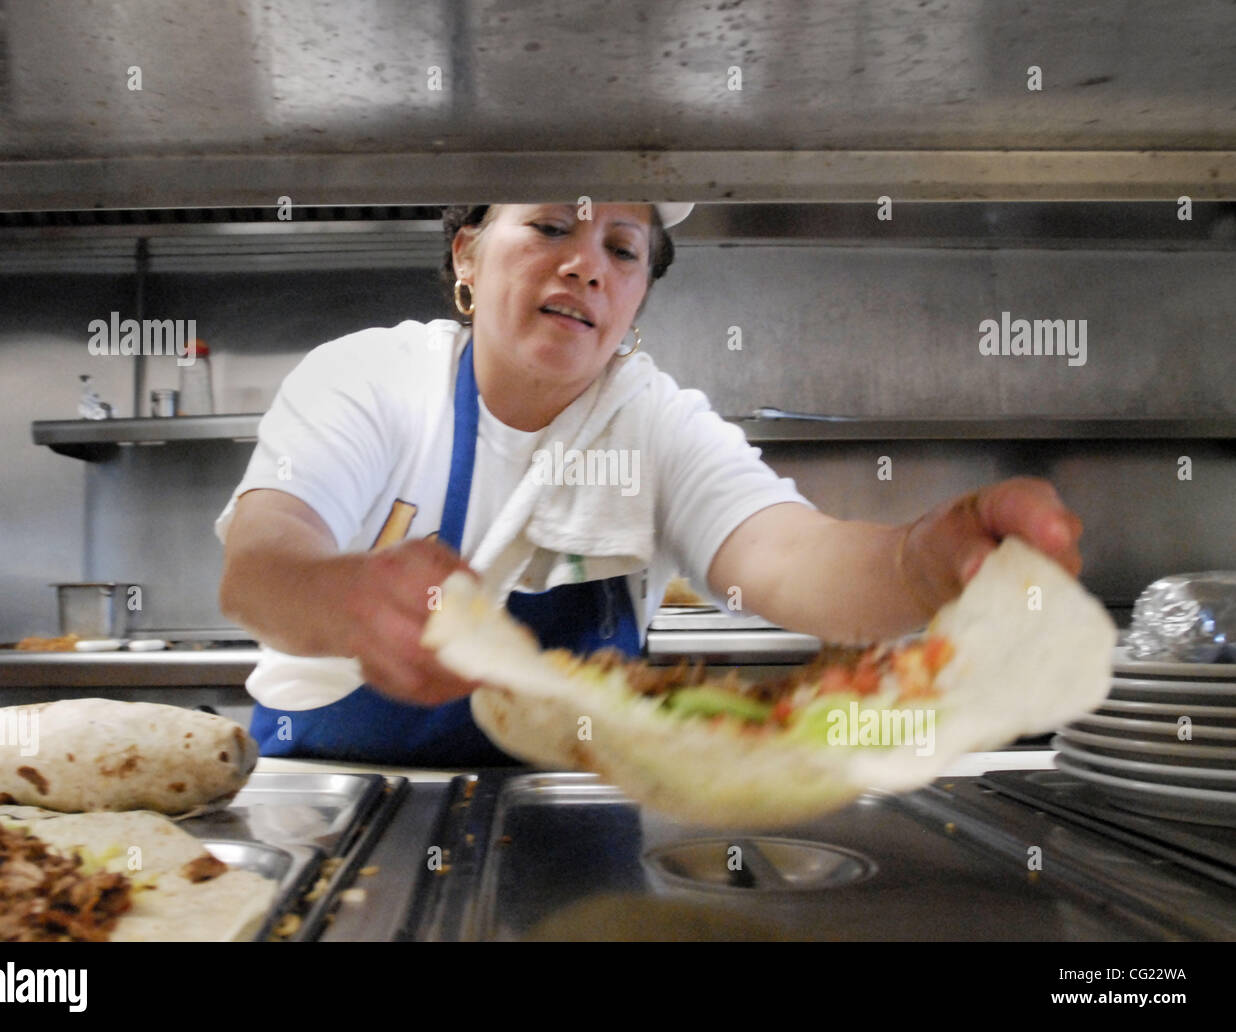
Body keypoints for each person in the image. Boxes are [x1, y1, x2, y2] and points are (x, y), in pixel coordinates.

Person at [216, 201, 1084, 766]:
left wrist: (927, 562)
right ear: (467, 258)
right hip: (341, 799)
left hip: (570, 818)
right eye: (551, 228)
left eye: (621, 249)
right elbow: (259, 564)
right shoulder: (373, 379)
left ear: (634, 304)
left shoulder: (653, 423)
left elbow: (786, 553)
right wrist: (341, 596)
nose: (585, 265)